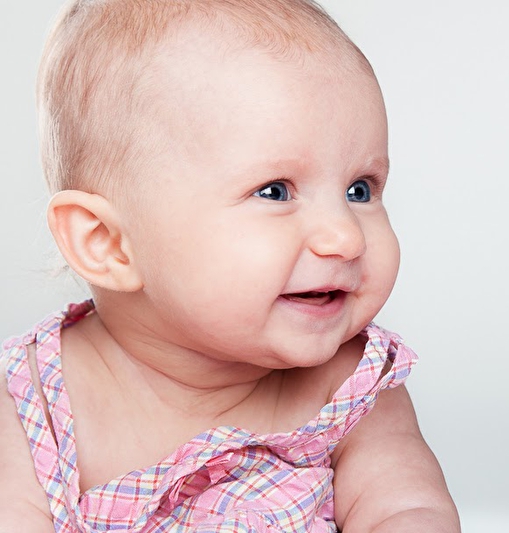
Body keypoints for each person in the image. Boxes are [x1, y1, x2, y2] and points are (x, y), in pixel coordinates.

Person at [0, 1, 460, 531]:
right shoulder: (34, 403)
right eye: (275, 191)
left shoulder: (349, 387)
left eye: (359, 190)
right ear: (108, 243)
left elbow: (410, 511)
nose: (346, 236)